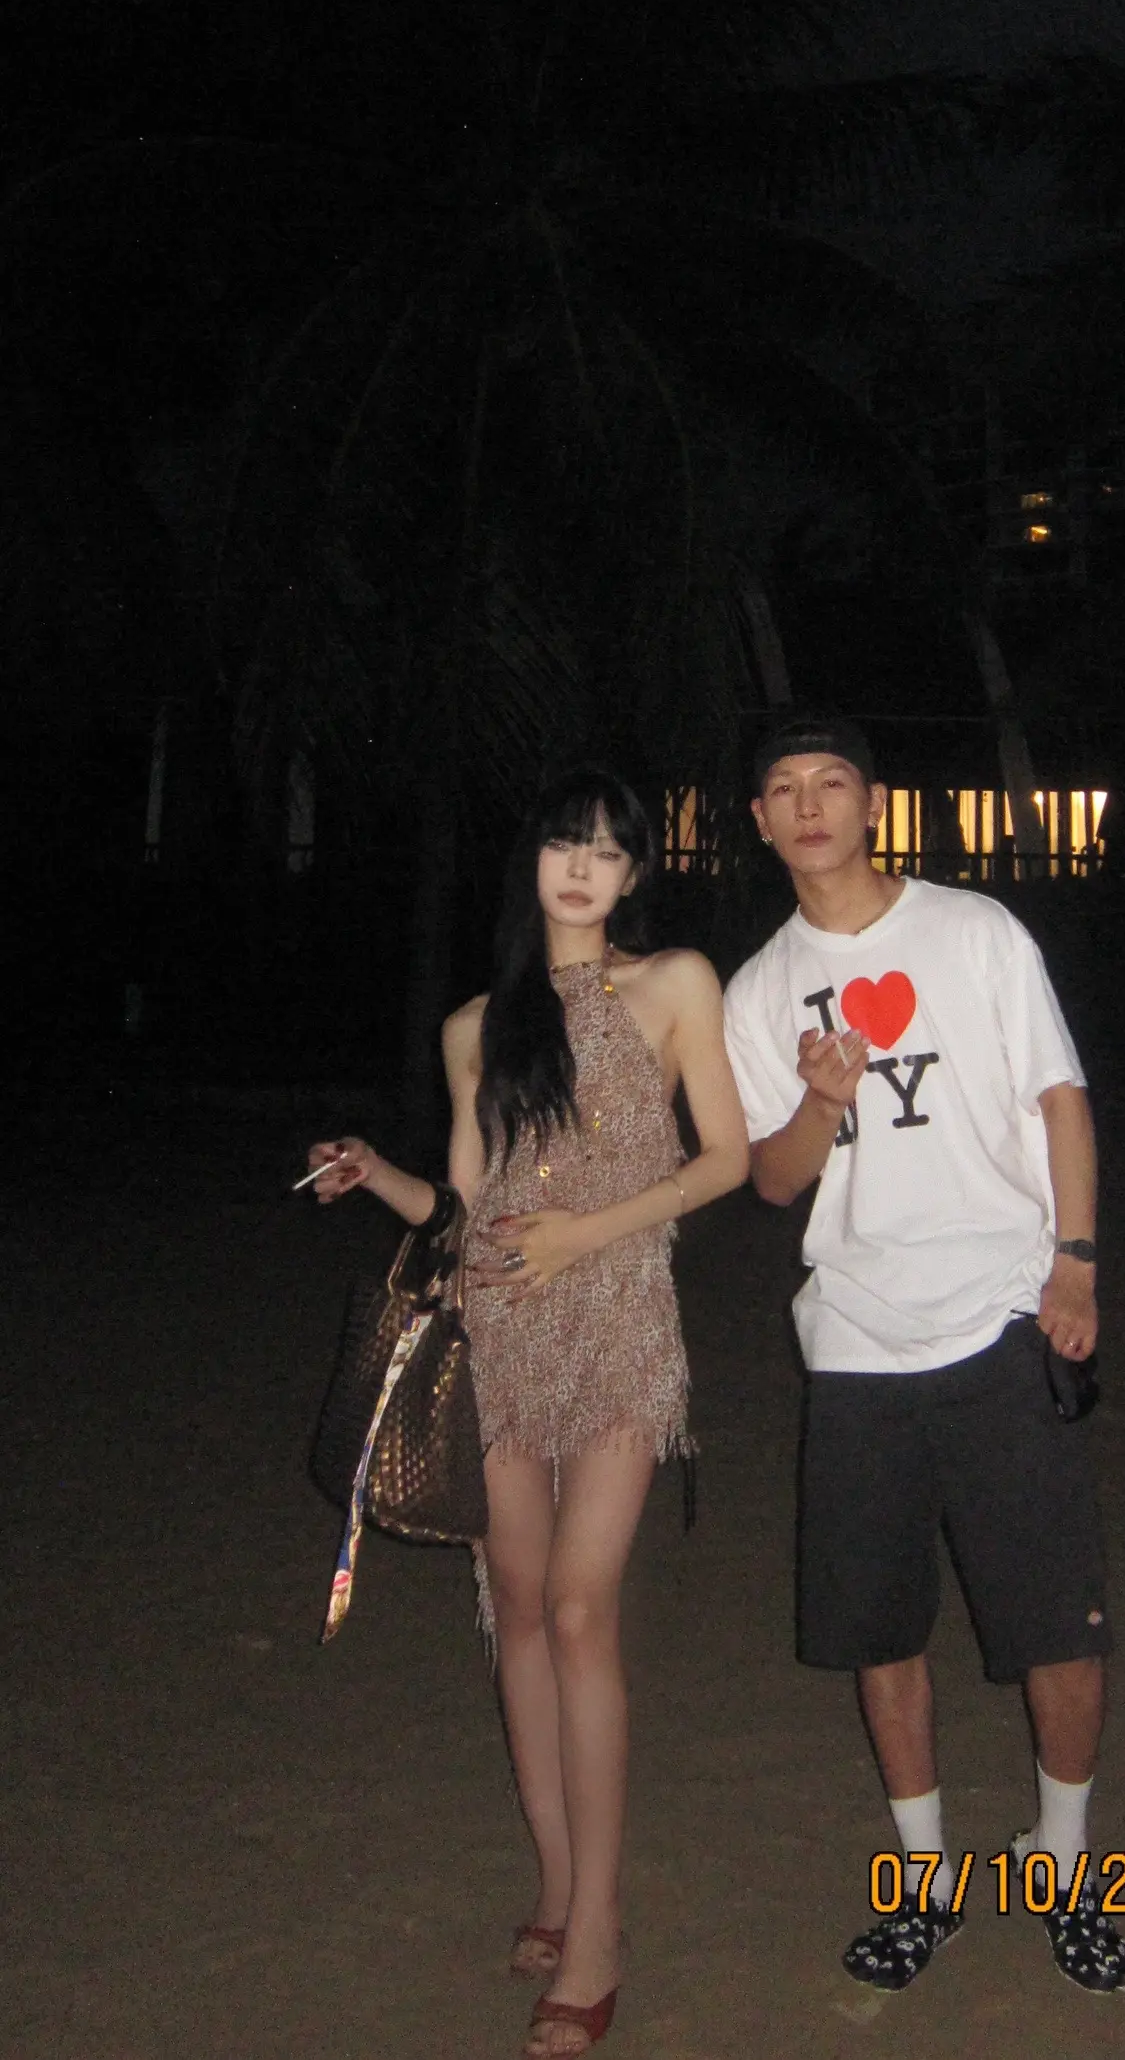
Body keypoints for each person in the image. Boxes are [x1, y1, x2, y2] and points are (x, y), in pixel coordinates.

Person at [309, 769, 749, 2059]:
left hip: (620, 1326)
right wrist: (375, 1172)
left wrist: (585, 1236)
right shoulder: (474, 1026)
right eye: (565, 844)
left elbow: (723, 1159)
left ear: (634, 876)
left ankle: (599, 1921)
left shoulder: (674, 984)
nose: (583, 866)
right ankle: (556, 1882)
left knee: (577, 1607)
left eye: (609, 851)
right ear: (534, 863)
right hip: (498, 1332)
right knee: (513, 1606)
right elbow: (465, 1213)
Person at [721, 714, 1125, 1998]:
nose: (809, 805)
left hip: (1002, 1314)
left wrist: (1074, 1262)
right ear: (759, 823)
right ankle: (926, 1883)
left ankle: (1062, 1866)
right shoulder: (756, 989)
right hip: (855, 1339)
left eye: (830, 782)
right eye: (783, 789)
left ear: (872, 804)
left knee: (1058, 1626)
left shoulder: (975, 932)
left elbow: (1059, 1097)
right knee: (882, 1630)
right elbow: (774, 1181)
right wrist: (823, 1098)